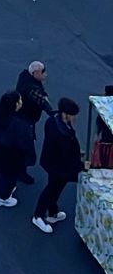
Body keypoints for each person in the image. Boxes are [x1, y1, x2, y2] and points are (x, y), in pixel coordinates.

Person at [33, 98, 84, 233]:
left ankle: (52, 212)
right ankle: (38, 215)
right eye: (74, 114)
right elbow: (67, 157)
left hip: (53, 163)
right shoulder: (62, 133)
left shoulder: (54, 121)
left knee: (55, 188)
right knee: (52, 189)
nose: (76, 117)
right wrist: (82, 164)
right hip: (59, 167)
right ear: (66, 114)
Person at [0, 88, 37, 206]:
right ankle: (3, 198)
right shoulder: (19, 125)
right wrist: (30, 159)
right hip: (11, 157)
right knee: (9, 177)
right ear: (15, 104)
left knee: (0, 173)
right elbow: (26, 144)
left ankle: (5, 192)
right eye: (20, 100)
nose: (22, 102)